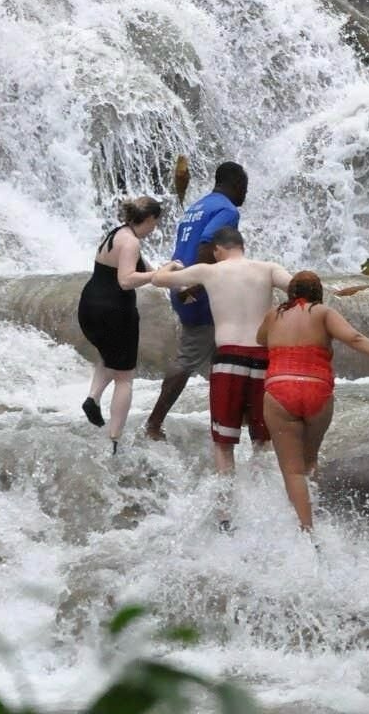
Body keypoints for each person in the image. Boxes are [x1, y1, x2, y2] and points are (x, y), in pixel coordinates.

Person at [151, 227, 291, 524]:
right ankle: (265, 509)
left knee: (224, 443)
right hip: (263, 360)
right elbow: (299, 289)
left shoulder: (208, 271)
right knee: (261, 441)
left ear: (217, 250)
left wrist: (173, 266)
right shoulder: (268, 268)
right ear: (242, 246)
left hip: (228, 360)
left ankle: (226, 516)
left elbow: (158, 280)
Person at [257, 270, 369, 530]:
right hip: (317, 391)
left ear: (290, 292)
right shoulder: (323, 313)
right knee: (309, 460)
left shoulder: (274, 315)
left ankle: (305, 530)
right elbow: (354, 338)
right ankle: (317, 512)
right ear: (318, 293)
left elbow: (260, 340)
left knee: (292, 471)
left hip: (280, 390)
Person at [144, 161, 247, 441]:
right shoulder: (227, 209)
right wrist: (198, 286)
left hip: (182, 282)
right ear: (237, 184)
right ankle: (153, 424)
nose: (245, 194)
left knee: (225, 353)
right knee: (192, 355)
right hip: (199, 291)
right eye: (245, 187)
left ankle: (233, 420)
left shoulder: (197, 207)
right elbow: (206, 244)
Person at [77, 197, 167, 453]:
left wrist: (170, 273)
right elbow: (127, 280)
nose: (155, 227)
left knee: (109, 355)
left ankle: (92, 398)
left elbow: (150, 273)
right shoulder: (131, 242)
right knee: (125, 378)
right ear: (149, 219)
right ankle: (114, 440)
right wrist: (156, 275)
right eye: (155, 222)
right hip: (114, 311)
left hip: (90, 306)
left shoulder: (117, 234)